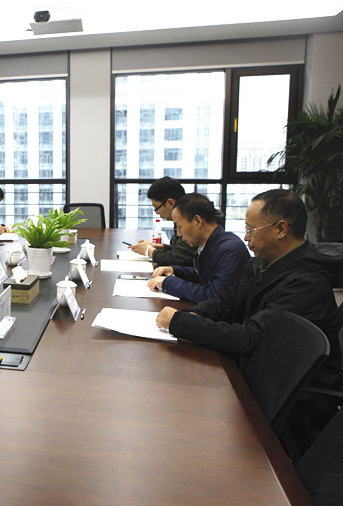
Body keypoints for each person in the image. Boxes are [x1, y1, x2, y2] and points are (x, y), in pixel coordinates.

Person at [155, 189, 343, 454]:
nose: (245, 238)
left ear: (281, 229)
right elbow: (228, 300)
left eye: (251, 230)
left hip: (288, 407)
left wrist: (181, 323)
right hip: (260, 378)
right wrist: (193, 314)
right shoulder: (265, 264)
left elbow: (252, 338)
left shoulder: (305, 283)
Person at [146, 193, 249, 303]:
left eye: (180, 226)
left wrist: (168, 283)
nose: (179, 233)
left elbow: (215, 296)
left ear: (197, 221)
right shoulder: (212, 243)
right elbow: (203, 274)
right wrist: (174, 270)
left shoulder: (229, 251)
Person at [129, 176, 197, 266]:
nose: (156, 212)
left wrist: (149, 250)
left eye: (157, 208)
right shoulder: (185, 215)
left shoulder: (190, 220)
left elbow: (178, 258)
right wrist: (161, 247)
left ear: (170, 203)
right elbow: (180, 250)